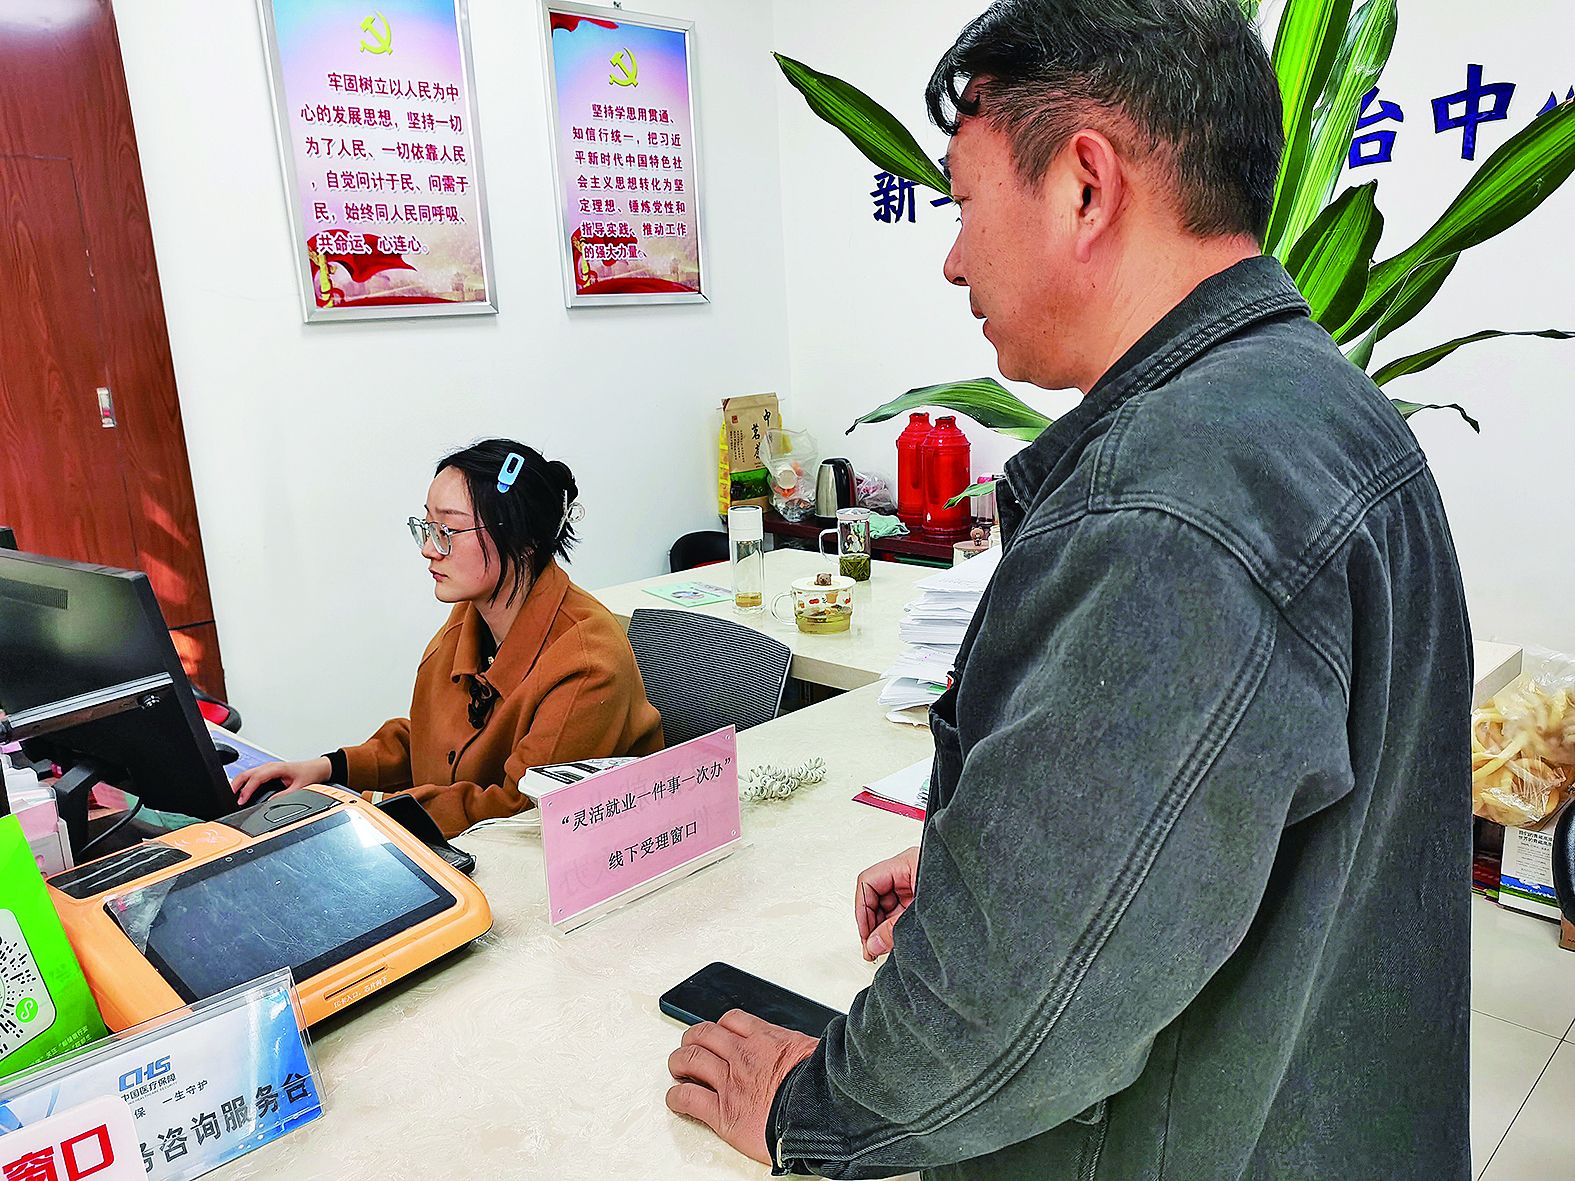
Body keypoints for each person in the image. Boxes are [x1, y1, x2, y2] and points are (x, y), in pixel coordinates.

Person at [664, 2, 1472, 1178]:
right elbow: (1244, 807)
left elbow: (1007, 1016)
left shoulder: (1171, 501)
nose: (952, 258)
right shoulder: (1320, 404)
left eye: (963, 201)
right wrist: (1022, 856)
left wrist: (811, 1104)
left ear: (1086, 186)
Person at [232, 439, 664, 838]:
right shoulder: (471, 616)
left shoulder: (586, 661)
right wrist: (329, 770)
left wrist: (362, 810)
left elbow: (523, 812)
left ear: (525, 539)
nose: (428, 549)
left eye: (449, 531)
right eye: (427, 526)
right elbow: (434, 745)